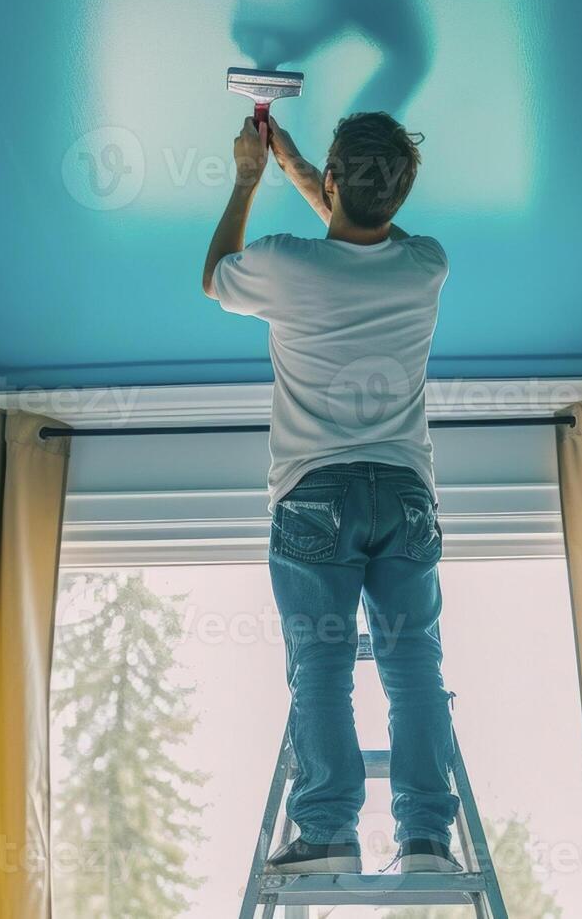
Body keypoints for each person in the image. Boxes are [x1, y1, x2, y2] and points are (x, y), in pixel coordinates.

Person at [202, 112, 459, 875]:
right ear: (403, 191)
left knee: (319, 664)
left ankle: (326, 833)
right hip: (405, 495)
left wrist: (250, 176)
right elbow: (364, 229)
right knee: (413, 665)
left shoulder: (285, 264)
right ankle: (424, 843)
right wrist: (304, 169)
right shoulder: (426, 264)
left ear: (338, 180)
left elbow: (213, 275)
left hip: (316, 494)